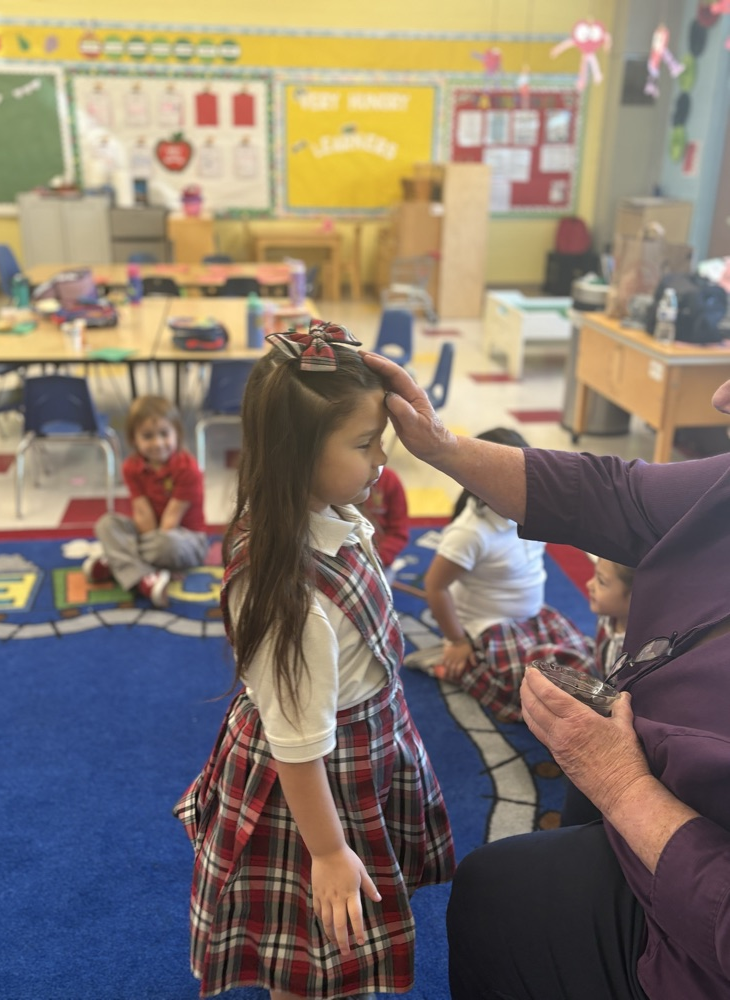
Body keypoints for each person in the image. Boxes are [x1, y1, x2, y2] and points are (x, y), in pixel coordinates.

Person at [362, 349, 730, 1000]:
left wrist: (623, 786)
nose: (722, 396)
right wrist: (441, 446)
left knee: (492, 894)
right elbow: (610, 491)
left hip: (695, 933)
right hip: (656, 802)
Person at [173, 322, 455, 1000]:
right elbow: (297, 746)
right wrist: (328, 852)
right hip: (314, 782)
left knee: (336, 934)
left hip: (359, 746)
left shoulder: (329, 510)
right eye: (364, 444)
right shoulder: (291, 595)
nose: (382, 458)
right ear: (298, 455)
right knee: (314, 943)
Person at [404, 427, 594, 722]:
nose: (526, 489)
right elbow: (434, 587)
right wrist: (456, 641)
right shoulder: (470, 533)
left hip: (534, 616)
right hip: (491, 629)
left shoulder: (532, 509)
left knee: (581, 657)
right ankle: (453, 662)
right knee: (528, 685)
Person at [83, 394, 208, 608]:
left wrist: (136, 545)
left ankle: (118, 563)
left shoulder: (187, 468)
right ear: (134, 440)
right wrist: (145, 537)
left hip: (185, 539)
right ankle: (145, 576)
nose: (158, 443)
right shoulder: (131, 467)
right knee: (107, 524)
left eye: (164, 434)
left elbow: (171, 519)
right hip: (148, 534)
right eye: (148, 436)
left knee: (167, 544)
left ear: (176, 433)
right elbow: (142, 512)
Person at [357, 462, 409, 580]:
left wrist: (378, 559)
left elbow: (398, 532)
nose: (381, 458)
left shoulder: (390, 480)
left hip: (380, 561)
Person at [587, 556, 634, 677]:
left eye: (601, 582)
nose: (589, 584)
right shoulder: (607, 616)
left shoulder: (635, 652)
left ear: (634, 598)